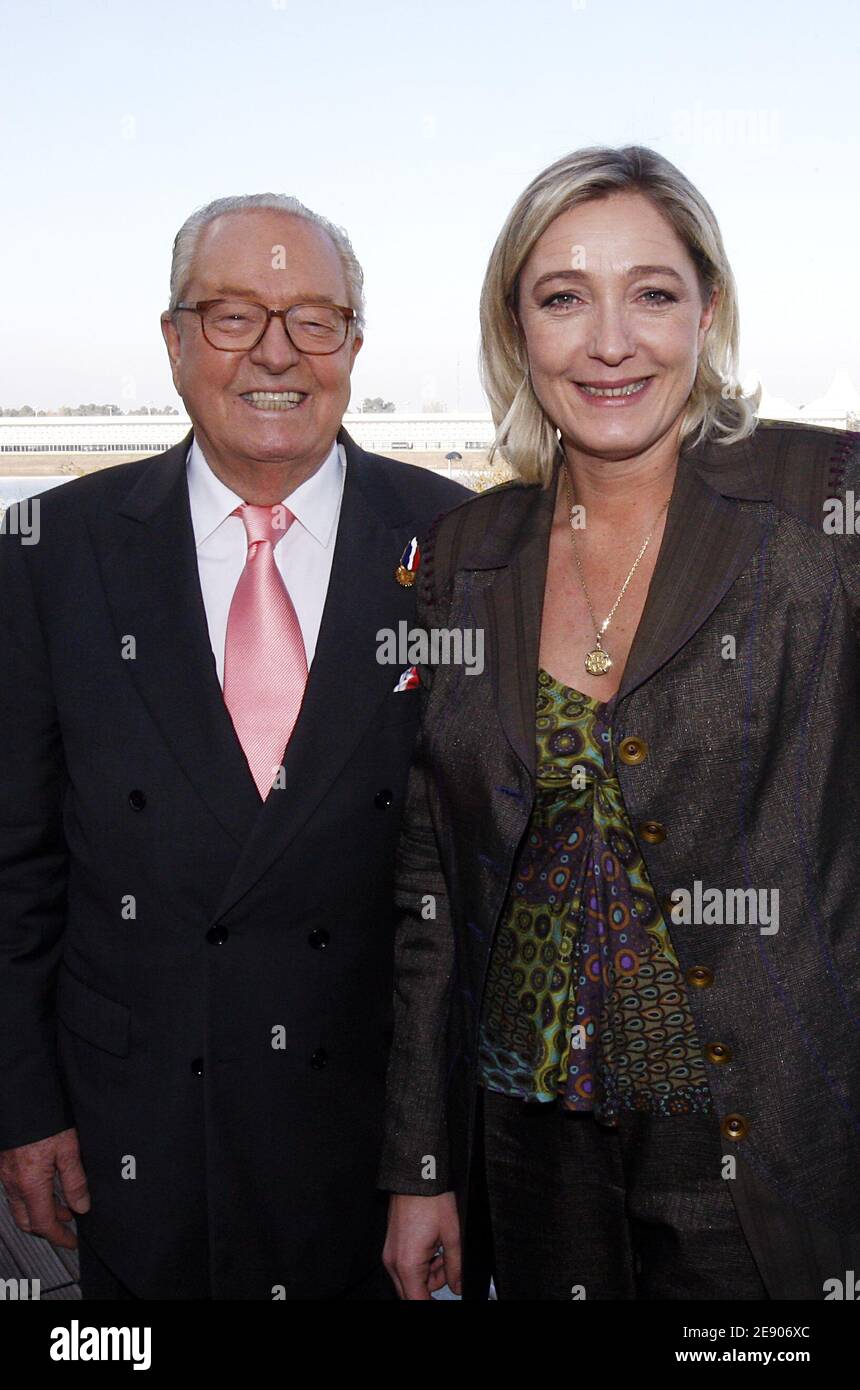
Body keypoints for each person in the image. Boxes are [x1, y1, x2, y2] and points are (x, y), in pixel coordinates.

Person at [378, 145, 860, 1301]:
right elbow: (429, 883)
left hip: (763, 1146)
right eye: (562, 298)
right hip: (529, 1148)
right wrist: (419, 1161)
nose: (607, 342)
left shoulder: (821, 506)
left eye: (649, 292)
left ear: (707, 310)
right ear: (516, 327)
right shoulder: (460, 558)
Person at [0, 193, 468, 1299]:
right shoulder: (47, 553)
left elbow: (472, 882)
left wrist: (433, 1150)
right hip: (132, 1132)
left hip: (371, 1136)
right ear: (171, 340)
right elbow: (15, 863)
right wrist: (23, 1106)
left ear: (354, 345)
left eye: (314, 318)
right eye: (230, 316)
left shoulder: (459, 545)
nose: (276, 353)